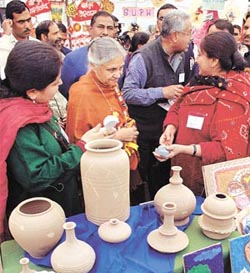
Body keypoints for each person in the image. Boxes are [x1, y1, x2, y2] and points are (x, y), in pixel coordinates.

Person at [0, 41, 112, 240]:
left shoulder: (36, 107)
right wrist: (82, 147)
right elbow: (37, 176)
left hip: (63, 200)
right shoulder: (19, 124)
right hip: (43, 222)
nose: (61, 84)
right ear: (32, 91)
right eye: (54, 83)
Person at [155, 32, 250, 197]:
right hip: (185, 167)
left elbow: (226, 148)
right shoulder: (201, 80)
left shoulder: (233, 97)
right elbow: (177, 106)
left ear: (214, 61)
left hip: (212, 182)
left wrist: (185, 149)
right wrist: (170, 127)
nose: (197, 59)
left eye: (200, 54)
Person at [122, 10, 192, 200]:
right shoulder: (142, 58)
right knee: (146, 180)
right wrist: (161, 92)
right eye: (189, 33)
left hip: (168, 128)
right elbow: (127, 93)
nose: (191, 38)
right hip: (146, 131)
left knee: (164, 178)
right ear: (175, 35)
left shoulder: (184, 55)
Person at [66, 37, 140, 200]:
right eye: (111, 69)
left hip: (120, 161)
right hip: (99, 172)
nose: (118, 75)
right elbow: (78, 141)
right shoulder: (82, 93)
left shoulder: (110, 83)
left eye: (121, 68)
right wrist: (117, 137)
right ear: (93, 65)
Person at [59, 11, 115, 99]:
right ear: (90, 29)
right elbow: (64, 93)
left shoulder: (119, 58)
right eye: (100, 27)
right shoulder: (73, 59)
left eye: (109, 28)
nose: (105, 32)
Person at [0, 0, 37, 78]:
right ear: (10, 22)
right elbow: (3, 76)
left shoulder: (37, 44)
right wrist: (6, 35)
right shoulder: (4, 46)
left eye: (29, 20)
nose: (27, 26)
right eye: (21, 22)